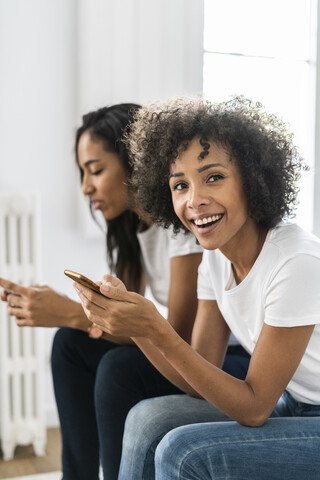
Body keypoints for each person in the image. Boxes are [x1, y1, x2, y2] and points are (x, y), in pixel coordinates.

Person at [73, 96, 320, 480]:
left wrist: (155, 327)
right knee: (146, 416)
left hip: (307, 415)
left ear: (253, 180)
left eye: (214, 177)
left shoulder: (295, 260)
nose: (194, 200)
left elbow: (255, 408)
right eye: (180, 185)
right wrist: (137, 327)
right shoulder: (216, 258)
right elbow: (197, 382)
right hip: (294, 404)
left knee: (184, 452)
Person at [0, 103, 249, 480]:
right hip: (182, 350)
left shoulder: (189, 225)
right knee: (70, 344)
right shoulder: (133, 231)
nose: (86, 187)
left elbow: (176, 337)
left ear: (133, 164)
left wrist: (72, 312)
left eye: (96, 171)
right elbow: (128, 324)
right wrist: (80, 317)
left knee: (117, 368)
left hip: (226, 361)